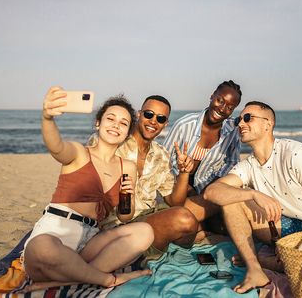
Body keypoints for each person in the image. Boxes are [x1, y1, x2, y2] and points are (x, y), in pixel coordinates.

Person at [203, 101, 302, 294]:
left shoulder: (295, 154)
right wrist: (252, 193)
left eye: (247, 118)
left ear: (268, 124)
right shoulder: (248, 165)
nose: (241, 124)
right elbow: (212, 192)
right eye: (238, 119)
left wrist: (300, 246)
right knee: (231, 200)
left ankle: (271, 259)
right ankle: (255, 269)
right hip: (283, 226)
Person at [21, 86, 153, 291]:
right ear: (98, 122)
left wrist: (129, 197)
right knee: (41, 247)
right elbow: (56, 147)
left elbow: (125, 216)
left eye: (123, 123)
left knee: (145, 231)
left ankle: (67, 279)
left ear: (128, 133)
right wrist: (47, 118)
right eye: (110, 119)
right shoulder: (80, 153)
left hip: (89, 240)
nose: (116, 125)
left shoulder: (126, 167)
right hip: (55, 232)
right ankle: (106, 279)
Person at [101, 95, 198, 255]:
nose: (153, 121)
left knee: (193, 222)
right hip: (115, 224)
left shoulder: (162, 154)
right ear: (139, 114)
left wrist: (184, 173)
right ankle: (138, 253)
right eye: (148, 114)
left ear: (165, 124)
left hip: (147, 217)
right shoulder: (114, 142)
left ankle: (147, 248)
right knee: (185, 220)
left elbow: (175, 202)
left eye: (160, 118)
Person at [162, 80, 242, 237]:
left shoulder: (232, 133)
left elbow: (232, 163)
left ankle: (201, 225)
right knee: (186, 221)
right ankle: (198, 225)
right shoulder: (185, 124)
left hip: (207, 190)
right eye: (220, 100)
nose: (222, 108)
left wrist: (214, 185)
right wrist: (183, 184)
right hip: (176, 186)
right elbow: (163, 160)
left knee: (226, 214)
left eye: (230, 107)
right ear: (212, 97)